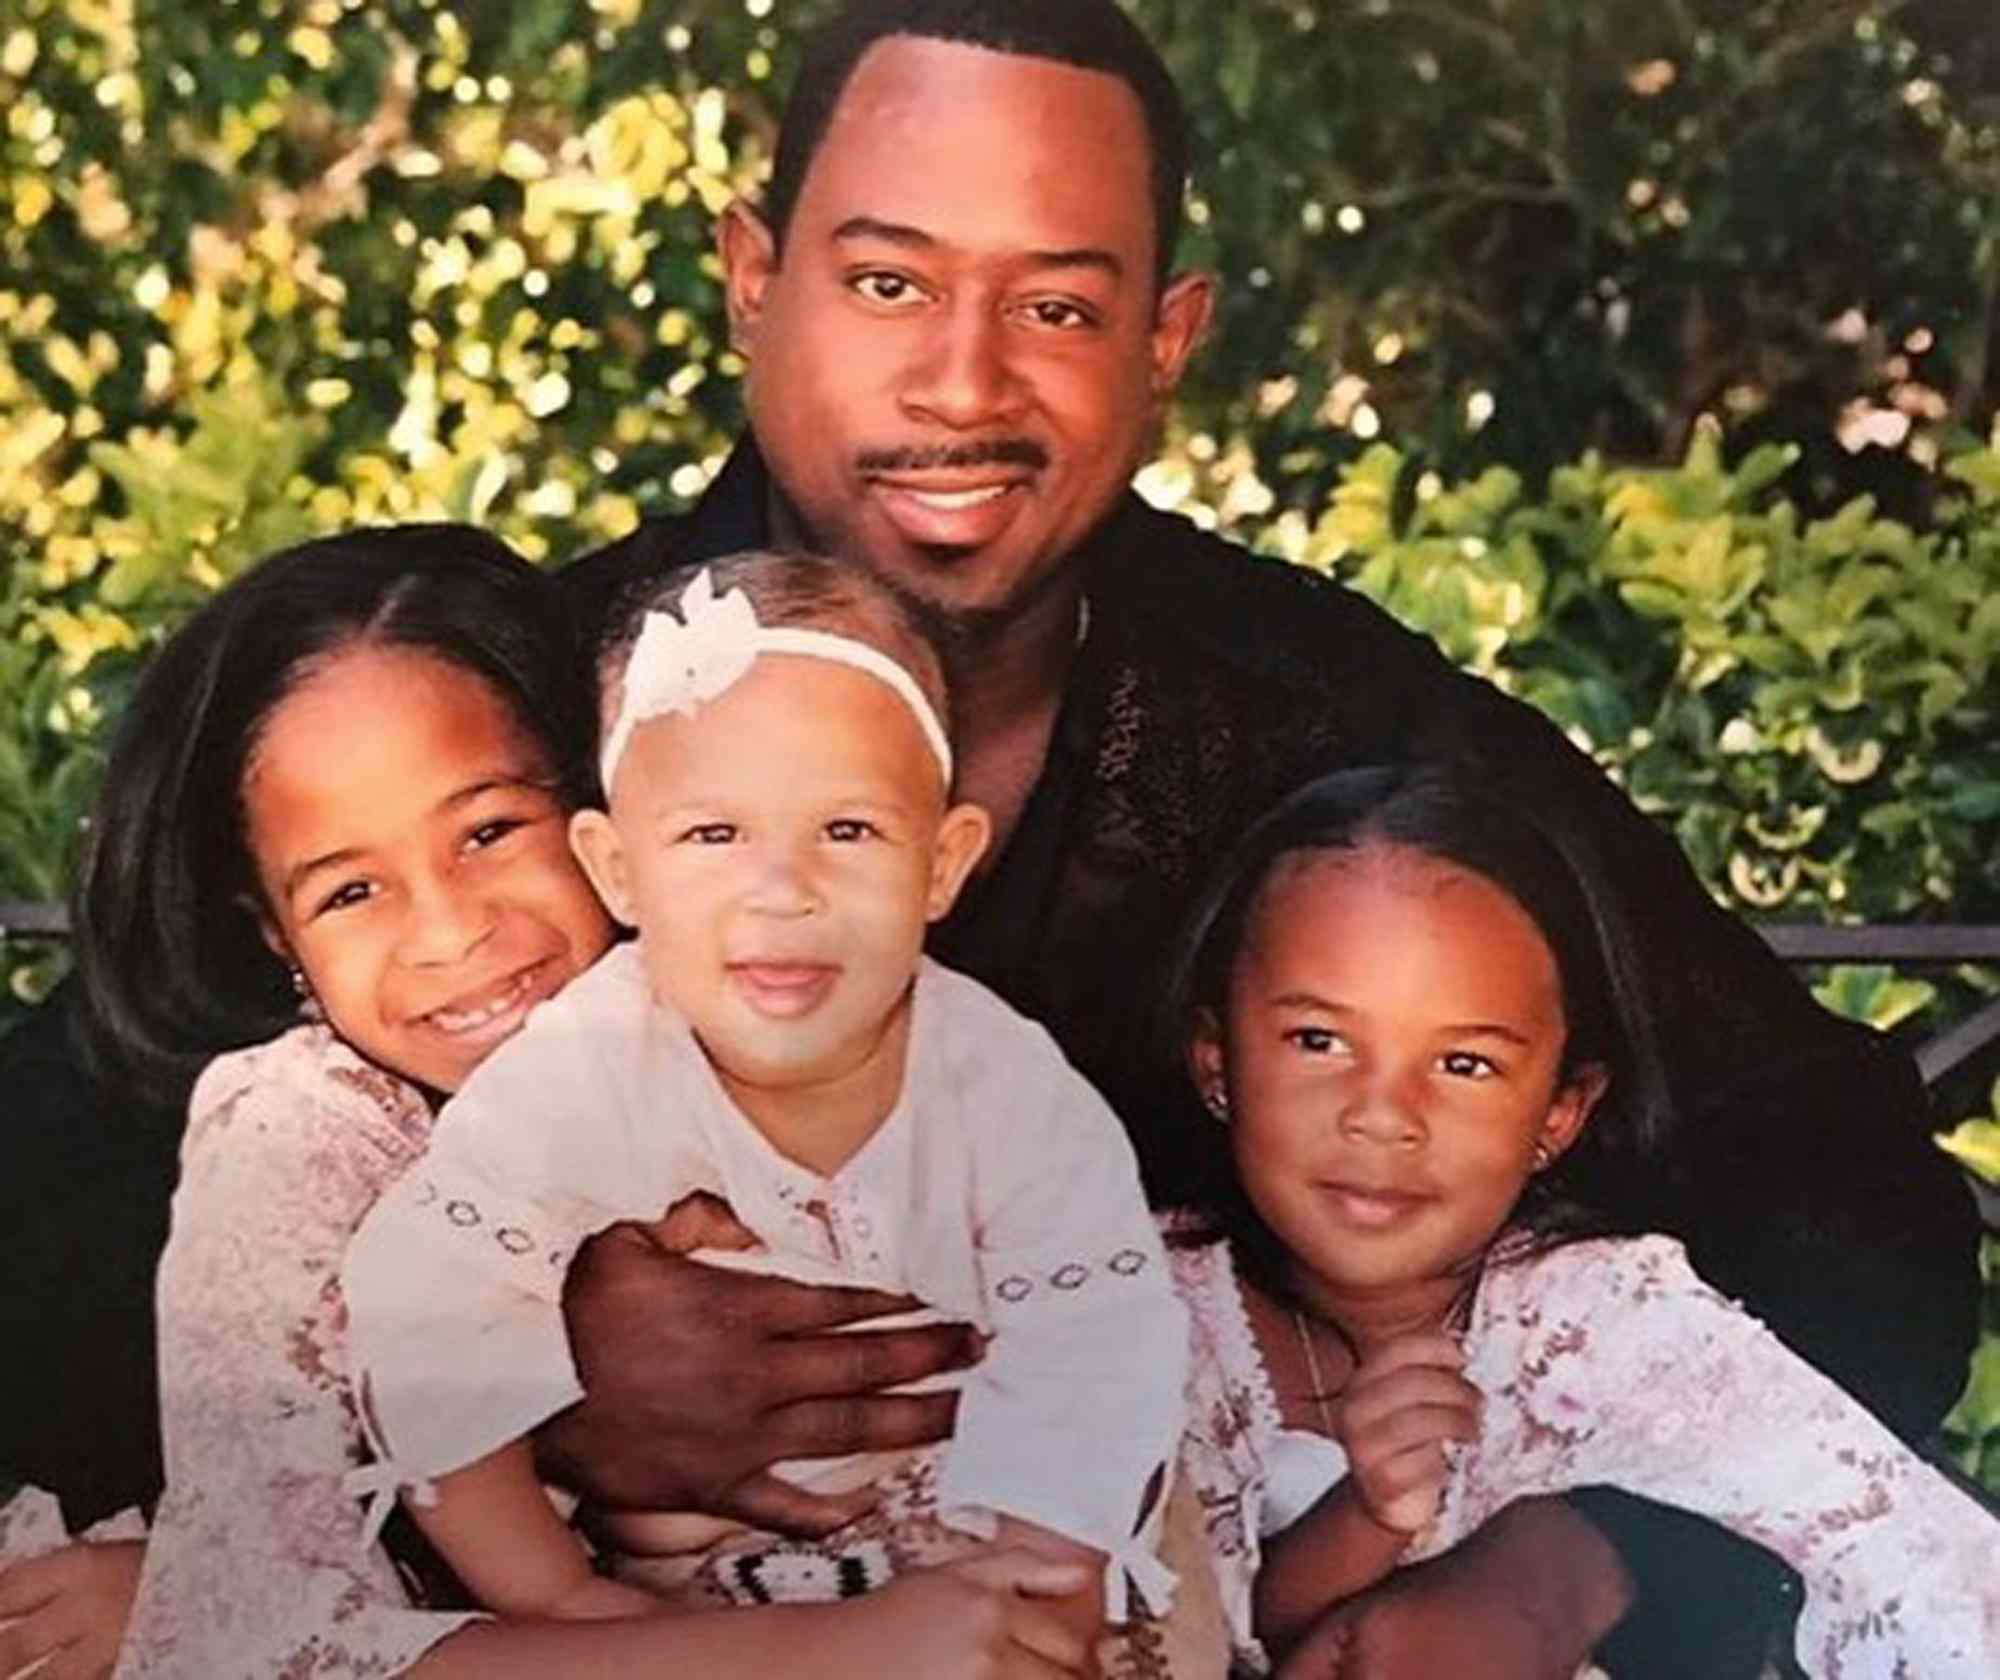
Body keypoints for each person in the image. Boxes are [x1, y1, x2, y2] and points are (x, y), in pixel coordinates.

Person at [1, 0, 1979, 1673]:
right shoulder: (527, 720)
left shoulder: (1326, 725)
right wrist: (501, 1371)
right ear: (749, 276)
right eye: (885, 280)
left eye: (1055, 301)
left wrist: (1578, 1554)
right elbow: (92, 1212)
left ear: (1167, 336)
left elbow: (1848, 1190)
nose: (964, 381)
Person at [1, 528, 1096, 1680]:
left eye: (489, 832)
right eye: (353, 889)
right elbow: (267, 1627)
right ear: (275, 932)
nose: (452, 933)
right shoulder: (305, 1131)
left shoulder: (742, 1004)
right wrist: (832, 1651)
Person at [338, 551, 1185, 1659]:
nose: (781, 891)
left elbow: (1095, 1347)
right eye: (711, 835)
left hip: (989, 1553)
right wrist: (559, 1600)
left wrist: (1040, 1592)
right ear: (615, 869)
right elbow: (426, 1325)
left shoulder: (1003, 1087)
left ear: (942, 862)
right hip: (678, 1601)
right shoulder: (579, 1074)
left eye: (846, 832)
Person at [1157, 764, 1999, 1676]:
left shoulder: (1602, 1320)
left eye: (1465, 1065)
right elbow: (1192, 1625)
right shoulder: (1134, 1310)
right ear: (1217, 1061)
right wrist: (1366, 1514)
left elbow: (1889, 1538)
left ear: (1559, 1113)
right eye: (1319, 1041)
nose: (1383, 1114)